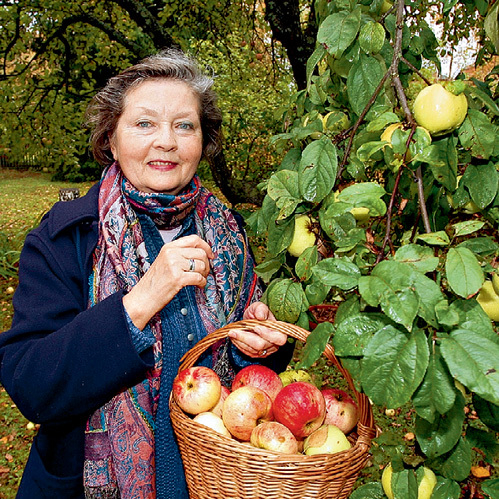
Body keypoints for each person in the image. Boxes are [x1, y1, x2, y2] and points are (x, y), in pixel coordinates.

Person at [0, 48, 293, 498]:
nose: (167, 141)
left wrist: (257, 348)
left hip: (215, 479)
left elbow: (250, 374)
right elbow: (30, 383)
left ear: (203, 141)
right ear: (111, 140)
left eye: (184, 125)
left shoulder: (227, 232)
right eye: (144, 123)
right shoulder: (68, 237)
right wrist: (139, 302)